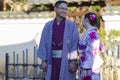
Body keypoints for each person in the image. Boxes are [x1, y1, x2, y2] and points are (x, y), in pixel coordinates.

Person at [37, 0, 79, 80]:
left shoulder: (71, 26)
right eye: (62, 8)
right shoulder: (48, 25)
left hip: (66, 60)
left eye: (66, 9)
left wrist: (73, 61)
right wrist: (43, 60)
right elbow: (43, 42)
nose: (64, 11)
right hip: (51, 59)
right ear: (55, 9)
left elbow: (75, 43)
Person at [78, 12, 103, 80]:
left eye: (83, 19)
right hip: (86, 64)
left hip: (90, 67)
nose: (82, 21)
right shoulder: (90, 33)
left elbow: (92, 51)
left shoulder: (92, 34)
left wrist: (86, 67)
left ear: (86, 20)